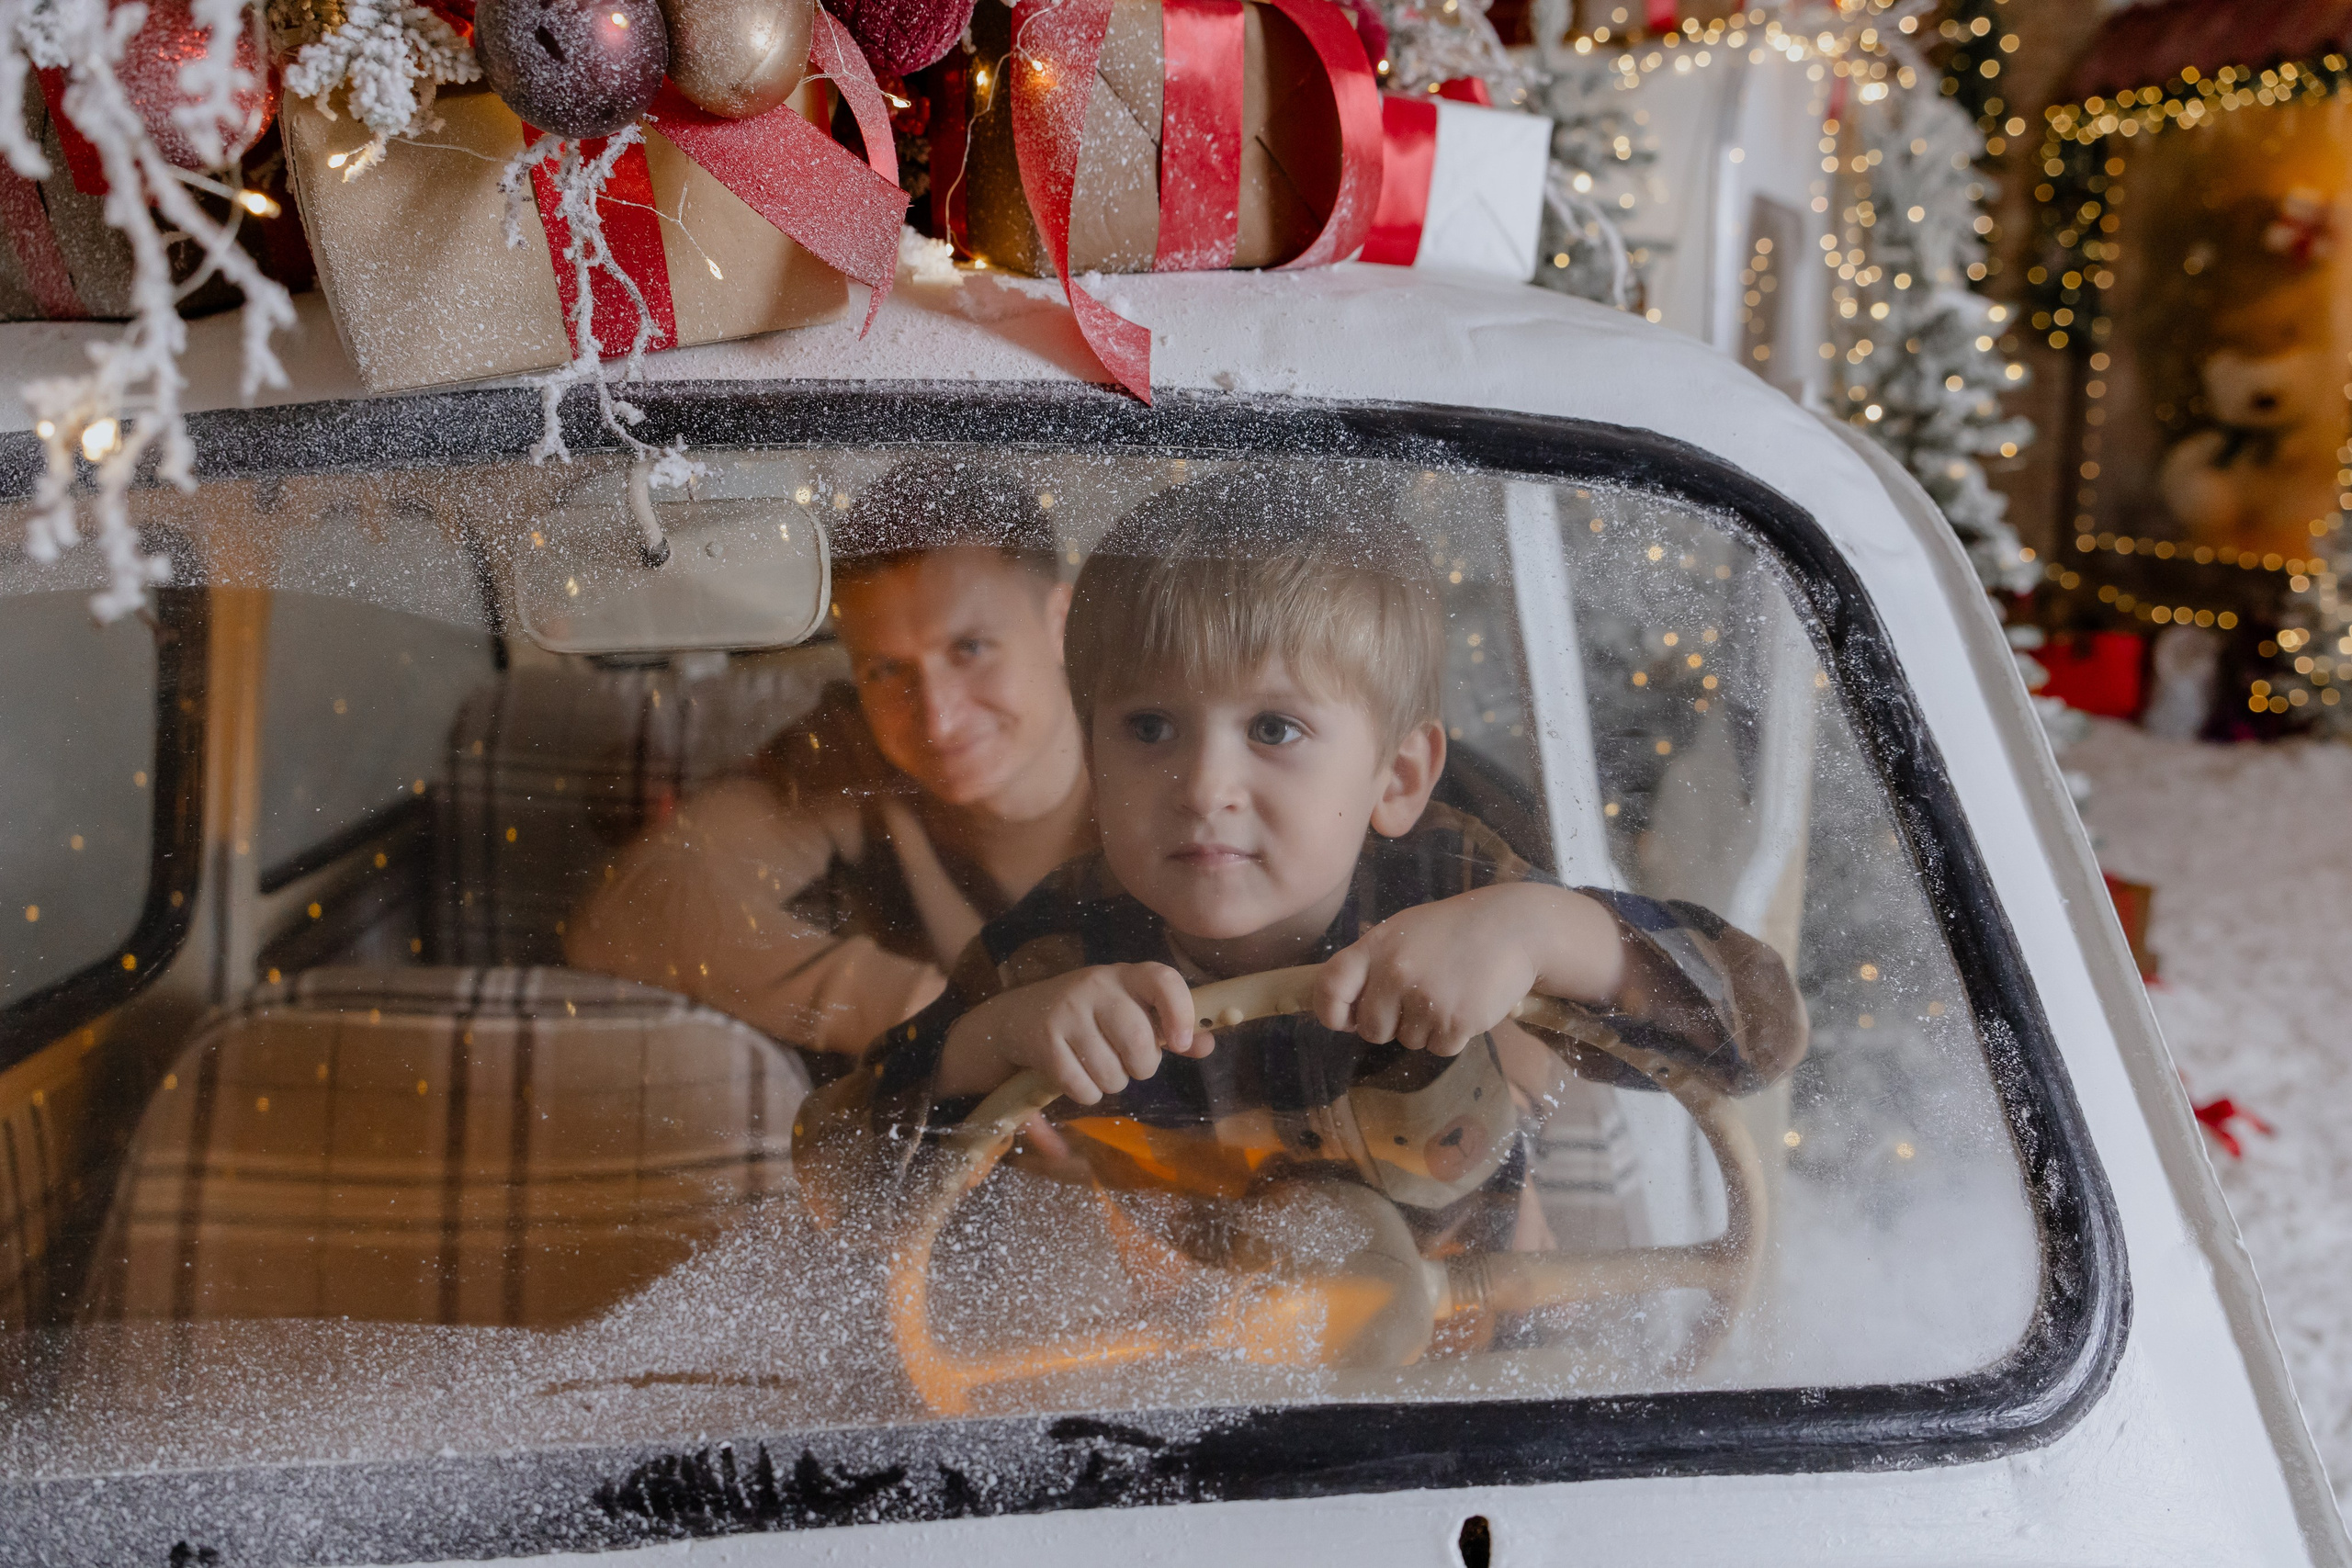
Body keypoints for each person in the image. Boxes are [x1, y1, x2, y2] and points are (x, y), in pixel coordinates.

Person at [833, 469, 1806, 1271]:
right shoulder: (1052, 954)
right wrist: (990, 1041)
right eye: (1150, 727)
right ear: (1092, 751)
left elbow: (1758, 1035)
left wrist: (1545, 934)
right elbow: (837, 1180)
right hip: (1185, 1399)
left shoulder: (1457, 885)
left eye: (1275, 728)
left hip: (1481, 1378)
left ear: (1398, 776)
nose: (1204, 785)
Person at [563, 458, 1094, 1058]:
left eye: (970, 648)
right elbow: (629, 912)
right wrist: (932, 1017)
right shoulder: (852, 749)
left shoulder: (1164, 751)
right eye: (886, 669)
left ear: (1060, 624)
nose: (937, 718)